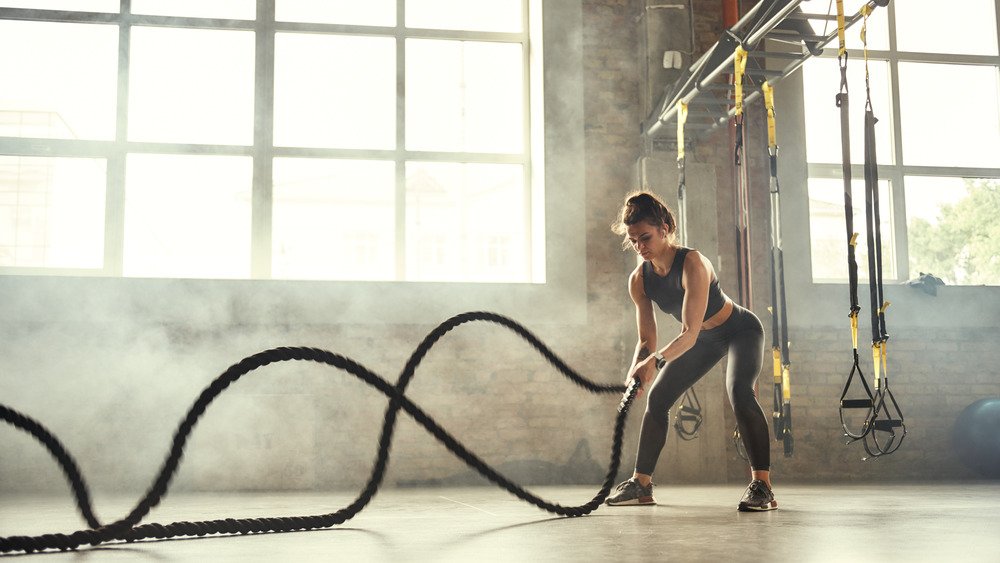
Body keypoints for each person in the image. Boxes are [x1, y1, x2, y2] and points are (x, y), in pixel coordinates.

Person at [605, 191, 776, 512]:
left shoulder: (693, 264)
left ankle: (762, 485)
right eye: (633, 240)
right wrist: (636, 370)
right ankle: (641, 484)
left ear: (666, 228)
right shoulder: (638, 280)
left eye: (646, 237)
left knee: (740, 391)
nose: (640, 246)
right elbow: (646, 341)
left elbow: (689, 332)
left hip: (739, 330)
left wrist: (653, 363)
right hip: (703, 341)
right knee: (656, 398)